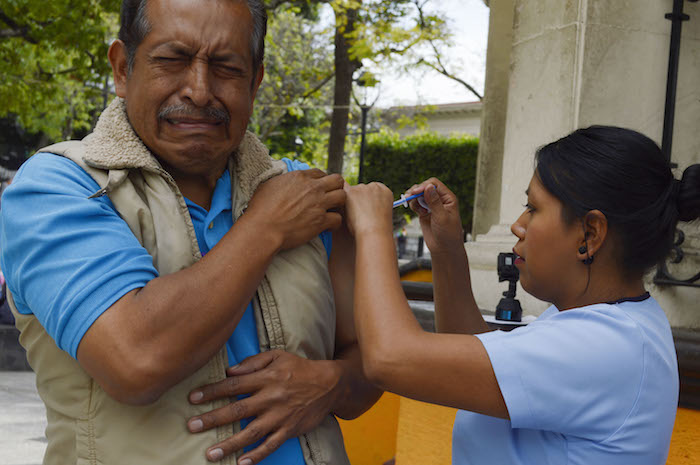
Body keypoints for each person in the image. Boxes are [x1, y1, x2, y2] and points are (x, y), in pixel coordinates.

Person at [0, 1, 380, 464]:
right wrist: (266, 227)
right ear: (123, 68)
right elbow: (135, 361)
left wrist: (333, 383)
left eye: (226, 67)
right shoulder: (58, 187)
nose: (200, 91)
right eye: (172, 60)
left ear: (255, 81)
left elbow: (374, 362)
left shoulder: (305, 193)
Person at [342, 126, 699, 464]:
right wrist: (447, 249)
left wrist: (372, 229)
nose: (517, 225)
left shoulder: (605, 346)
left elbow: (389, 359)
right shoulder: (605, 323)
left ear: (590, 234)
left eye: (534, 208)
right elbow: (474, 358)